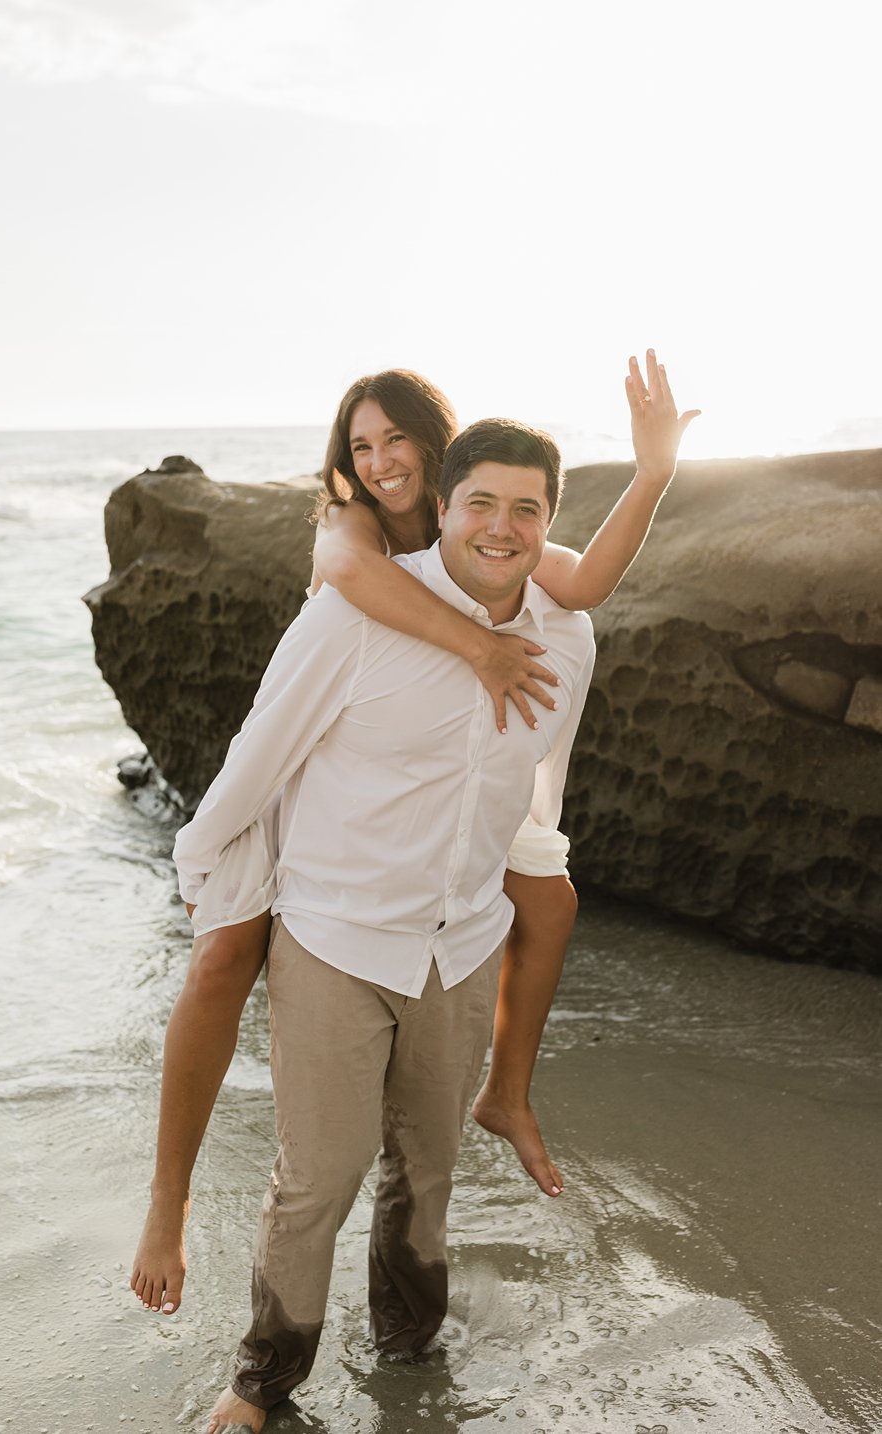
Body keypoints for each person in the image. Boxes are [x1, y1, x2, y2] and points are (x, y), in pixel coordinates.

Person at [130, 353, 699, 1324]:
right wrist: (480, 647)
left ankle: (506, 1094)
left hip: (444, 811)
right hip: (318, 785)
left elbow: (584, 584)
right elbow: (352, 586)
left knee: (549, 899)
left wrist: (652, 473)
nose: (380, 461)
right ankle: (167, 1204)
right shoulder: (352, 533)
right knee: (221, 958)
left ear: (436, 452)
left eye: (397, 438)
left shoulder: (500, 533)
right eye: (361, 446)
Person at [186, 414, 595, 1431]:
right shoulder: (350, 619)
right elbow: (260, 752)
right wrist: (203, 868)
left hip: (460, 945)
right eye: (481, 503)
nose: (501, 527)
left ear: (549, 521)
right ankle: (264, 1379)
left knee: (426, 1170)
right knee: (318, 1177)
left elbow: (536, 780)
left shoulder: (568, 637)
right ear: (442, 508)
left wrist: (534, 878)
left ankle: (409, 1349)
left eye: (527, 509)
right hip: (336, 936)